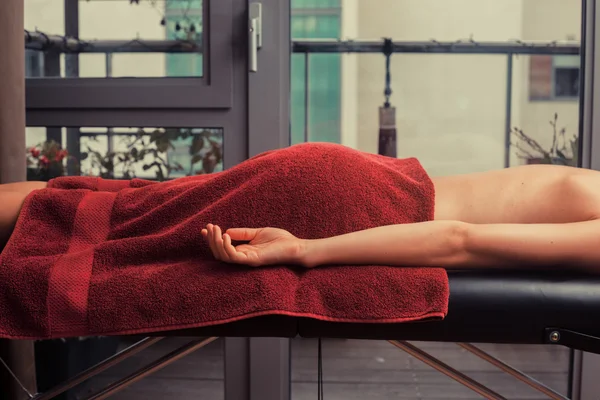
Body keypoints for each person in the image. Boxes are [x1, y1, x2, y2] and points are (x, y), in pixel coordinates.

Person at [2, 162, 600, 271]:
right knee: (124, 213)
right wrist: (307, 248)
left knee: (124, 204)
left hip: (361, 180)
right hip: (359, 205)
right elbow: (462, 241)